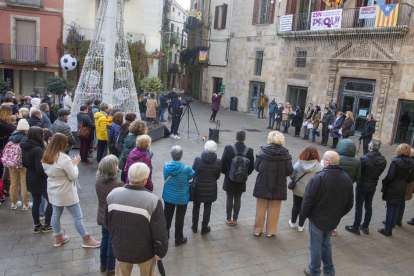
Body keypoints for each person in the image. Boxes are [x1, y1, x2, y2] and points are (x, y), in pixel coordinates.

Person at [105, 162, 168, 276]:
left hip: (120, 248)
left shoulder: (112, 195)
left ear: (129, 177)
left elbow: (108, 222)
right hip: (144, 252)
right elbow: (159, 230)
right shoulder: (152, 201)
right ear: (145, 180)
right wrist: (161, 251)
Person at [41, 133, 101, 248]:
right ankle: (86, 239)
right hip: (66, 190)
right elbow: (73, 176)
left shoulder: (46, 156)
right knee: (77, 216)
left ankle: (58, 237)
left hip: (53, 188)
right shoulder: (63, 158)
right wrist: (74, 164)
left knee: (56, 213)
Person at [301, 151, 353, 276]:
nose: (322, 162)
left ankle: (314, 270)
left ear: (328, 162)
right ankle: (329, 270)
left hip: (318, 219)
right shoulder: (346, 178)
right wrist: (339, 214)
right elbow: (350, 203)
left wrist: (303, 217)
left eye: (323, 160)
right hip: (333, 219)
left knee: (315, 245)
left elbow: (307, 200)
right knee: (326, 243)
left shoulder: (319, 177)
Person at [253, 131, 293, 237]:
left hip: (263, 183)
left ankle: (258, 229)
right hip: (278, 184)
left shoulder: (263, 152)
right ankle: (270, 231)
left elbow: (256, 167)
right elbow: (289, 171)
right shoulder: (286, 154)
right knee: (274, 210)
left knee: (260, 208)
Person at [345, 139, 386, 235]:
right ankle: (365, 226)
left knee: (359, 206)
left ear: (370, 147)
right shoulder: (383, 160)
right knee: (368, 206)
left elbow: (359, 171)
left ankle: (355, 226)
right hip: (373, 184)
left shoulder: (365, 159)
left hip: (363, 184)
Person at [95, 155, 124, 275]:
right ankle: (111, 268)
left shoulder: (98, 181)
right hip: (113, 218)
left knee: (104, 238)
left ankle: (103, 264)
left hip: (102, 215)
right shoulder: (118, 184)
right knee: (112, 242)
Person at [21, 127, 53, 233]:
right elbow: (40, 167)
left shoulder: (24, 146)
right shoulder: (38, 149)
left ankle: (37, 225)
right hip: (40, 179)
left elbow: (24, 162)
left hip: (29, 175)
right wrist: (47, 176)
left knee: (36, 201)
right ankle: (47, 224)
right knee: (51, 201)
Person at [378, 143, 414, 236]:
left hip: (393, 186)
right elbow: (411, 178)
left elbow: (390, 176)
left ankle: (387, 229)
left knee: (390, 208)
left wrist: (384, 182)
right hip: (403, 186)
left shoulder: (395, 161)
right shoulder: (411, 162)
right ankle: (391, 227)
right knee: (396, 208)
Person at [163, 146, 195, 246]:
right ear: (182, 155)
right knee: (179, 218)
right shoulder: (186, 169)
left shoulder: (166, 166)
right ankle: (178, 238)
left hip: (168, 196)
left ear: (171, 155)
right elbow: (192, 175)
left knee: (167, 216)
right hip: (182, 197)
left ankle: (165, 236)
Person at [221, 130, 254, 225]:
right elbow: (252, 166)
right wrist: (245, 174)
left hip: (229, 178)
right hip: (242, 178)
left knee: (229, 197)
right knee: (238, 198)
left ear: (235, 138)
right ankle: (235, 219)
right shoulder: (249, 150)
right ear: (245, 138)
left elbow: (222, 163)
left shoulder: (228, 148)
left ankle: (228, 218)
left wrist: (227, 173)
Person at [289, 146, 323, 232]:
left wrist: (295, 179)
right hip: (310, 191)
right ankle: (301, 225)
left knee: (296, 205)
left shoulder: (299, 163)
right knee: (305, 207)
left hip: (298, 189)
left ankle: (292, 222)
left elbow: (292, 175)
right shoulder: (319, 166)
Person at [191, 141, 221, 234]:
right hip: (210, 188)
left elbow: (193, 172)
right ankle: (204, 228)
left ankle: (194, 227)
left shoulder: (198, 159)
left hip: (198, 186)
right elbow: (217, 176)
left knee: (196, 206)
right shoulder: (218, 161)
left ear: (205, 148)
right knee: (208, 207)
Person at [3, 120, 31, 210]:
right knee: (24, 184)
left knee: (13, 183)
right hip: (23, 164)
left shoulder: (11, 138)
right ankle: (25, 204)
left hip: (12, 164)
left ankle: (13, 203)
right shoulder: (27, 138)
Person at [0, 106, 18, 196]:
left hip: (3, 146)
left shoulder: (3, 123)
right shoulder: (2, 124)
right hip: (3, 147)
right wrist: (19, 119)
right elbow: (15, 129)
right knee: (4, 169)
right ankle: (4, 189)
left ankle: (3, 189)